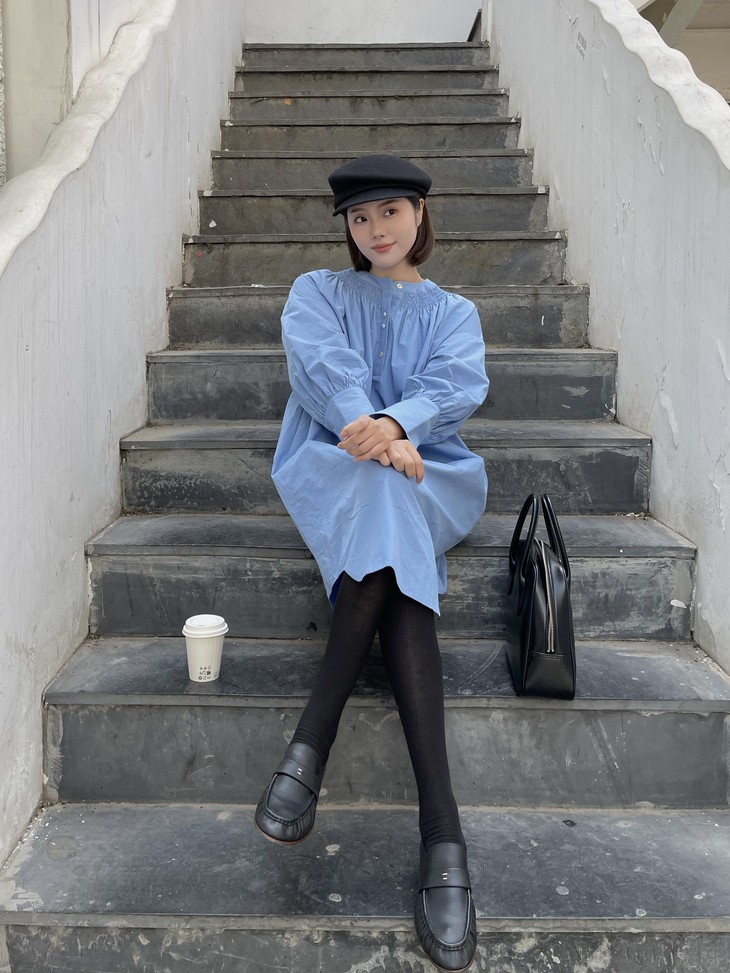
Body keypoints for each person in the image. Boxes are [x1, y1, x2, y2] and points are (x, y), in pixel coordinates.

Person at [254, 154, 489, 972]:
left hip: (435, 472)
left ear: (420, 213)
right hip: (333, 459)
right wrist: (373, 431)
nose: (376, 229)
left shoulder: (455, 311)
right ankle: (443, 837)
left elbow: (456, 385)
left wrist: (397, 425)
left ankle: (309, 745)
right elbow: (324, 368)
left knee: (392, 501)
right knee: (384, 499)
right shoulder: (317, 291)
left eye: (390, 211)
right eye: (360, 217)